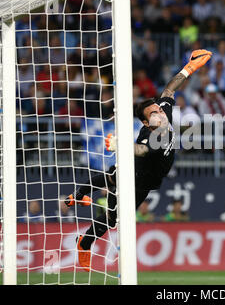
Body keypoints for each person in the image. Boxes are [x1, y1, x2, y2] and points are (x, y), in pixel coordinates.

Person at [65, 49, 212, 271]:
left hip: (147, 182)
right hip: (133, 174)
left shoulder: (163, 113)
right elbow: (142, 150)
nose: (160, 114)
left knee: (111, 219)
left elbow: (170, 88)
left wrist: (189, 68)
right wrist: (120, 145)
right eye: (154, 114)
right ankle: (80, 209)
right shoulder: (150, 136)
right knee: (113, 181)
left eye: (159, 110)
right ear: (145, 123)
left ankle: (81, 216)